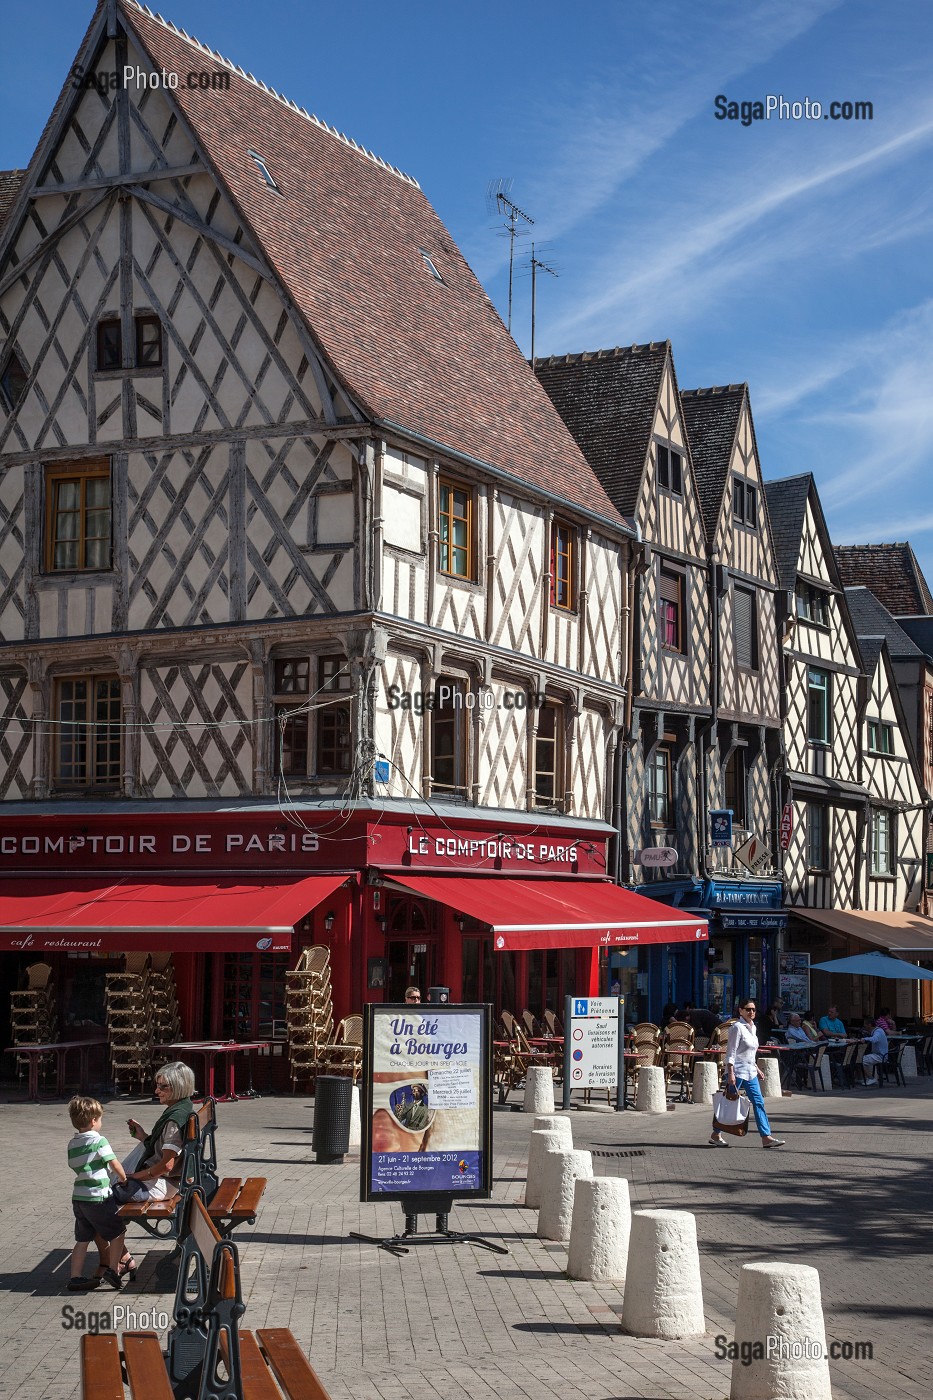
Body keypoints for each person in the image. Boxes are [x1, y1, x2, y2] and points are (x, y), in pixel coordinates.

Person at [66, 1096, 128, 1292]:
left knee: (82, 1239)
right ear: (93, 1121)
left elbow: (74, 1165)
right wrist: (123, 1178)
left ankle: (75, 1277)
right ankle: (113, 1270)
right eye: (100, 1119)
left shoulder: (73, 1143)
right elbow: (114, 1163)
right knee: (118, 1232)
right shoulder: (99, 1141)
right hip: (98, 1197)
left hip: (79, 1197)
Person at [114, 1060, 195, 1204]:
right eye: (157, 1085)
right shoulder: (184, 1107)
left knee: (109, 1195)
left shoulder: (175, 1120)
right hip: (170, 1179)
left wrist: (135, 1176)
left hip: (166, 1182)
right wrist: (143, 1136)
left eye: (163, 1086)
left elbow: (166, 1165)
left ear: (179, 1087)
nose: (157, 1091)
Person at [709, 998, 785, 1148]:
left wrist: (757, 1068)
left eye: (753, 1010)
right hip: (737, 1072)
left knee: (759, 1102)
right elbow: (731, 1052)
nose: (751, 1012)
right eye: (748, 1009)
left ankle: (766, 1137)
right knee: (728, 1103)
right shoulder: (737, 1027)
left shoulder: (753, 1027)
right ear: (741, 1011)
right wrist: (730, 1073)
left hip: (750, 1072)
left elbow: (749, 1053)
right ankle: (716, 1133)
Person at [861, 1017, 889, 1086]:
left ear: (869, 1025)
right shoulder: (877, 1031)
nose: (864, 1026)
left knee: (861, 1060)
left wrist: (865, 1039)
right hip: (879, 1055)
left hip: (880, 1056)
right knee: (865, 1058)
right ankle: (869, 1077)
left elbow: (874, 1039)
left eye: (865, 1024)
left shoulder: (878, 1031)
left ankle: (871, 1078)